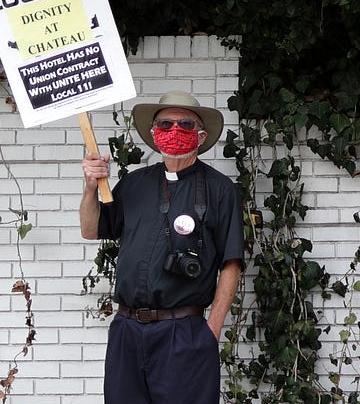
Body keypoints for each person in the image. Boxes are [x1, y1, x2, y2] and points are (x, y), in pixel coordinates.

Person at [79, 90, 245, 404]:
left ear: (201, 134)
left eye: (185, 124)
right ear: (154, 134)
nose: (174, 130)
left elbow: (231, 263)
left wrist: (211, 331)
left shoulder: (220, 189)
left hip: (183, 332)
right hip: (127, 330)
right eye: (165, 124)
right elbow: (90, 229)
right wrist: (90, 188)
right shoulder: (134, 183)